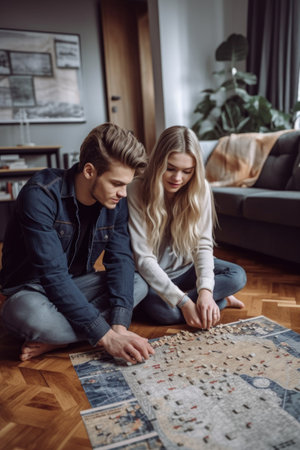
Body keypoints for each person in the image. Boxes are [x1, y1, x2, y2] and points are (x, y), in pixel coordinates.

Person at [0, 123, 154, 363]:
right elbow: (53, 276)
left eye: (126, 184)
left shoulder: (116, 200)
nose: (123, 193)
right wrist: (108, 338)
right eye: (116, 183)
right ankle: (88, 333)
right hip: (31, 291)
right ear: (90, 171)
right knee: (26, 315)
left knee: (138, 282)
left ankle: (59, 339)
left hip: (77, 284)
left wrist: (120, 328)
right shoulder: (40, 194)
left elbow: (120, 259)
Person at [128, 125, 246, 330]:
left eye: (187, 171)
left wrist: (206, 292)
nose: (177, 178)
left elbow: (203, 245)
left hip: (186, 269)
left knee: (237, 276)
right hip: (151, 277)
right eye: (170, 168)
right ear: (157, 163)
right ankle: (222, 302)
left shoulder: (201, 189)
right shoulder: (136, 189)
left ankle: (208, 300)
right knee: (163, 312)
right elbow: (143, 259)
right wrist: (184, 303)